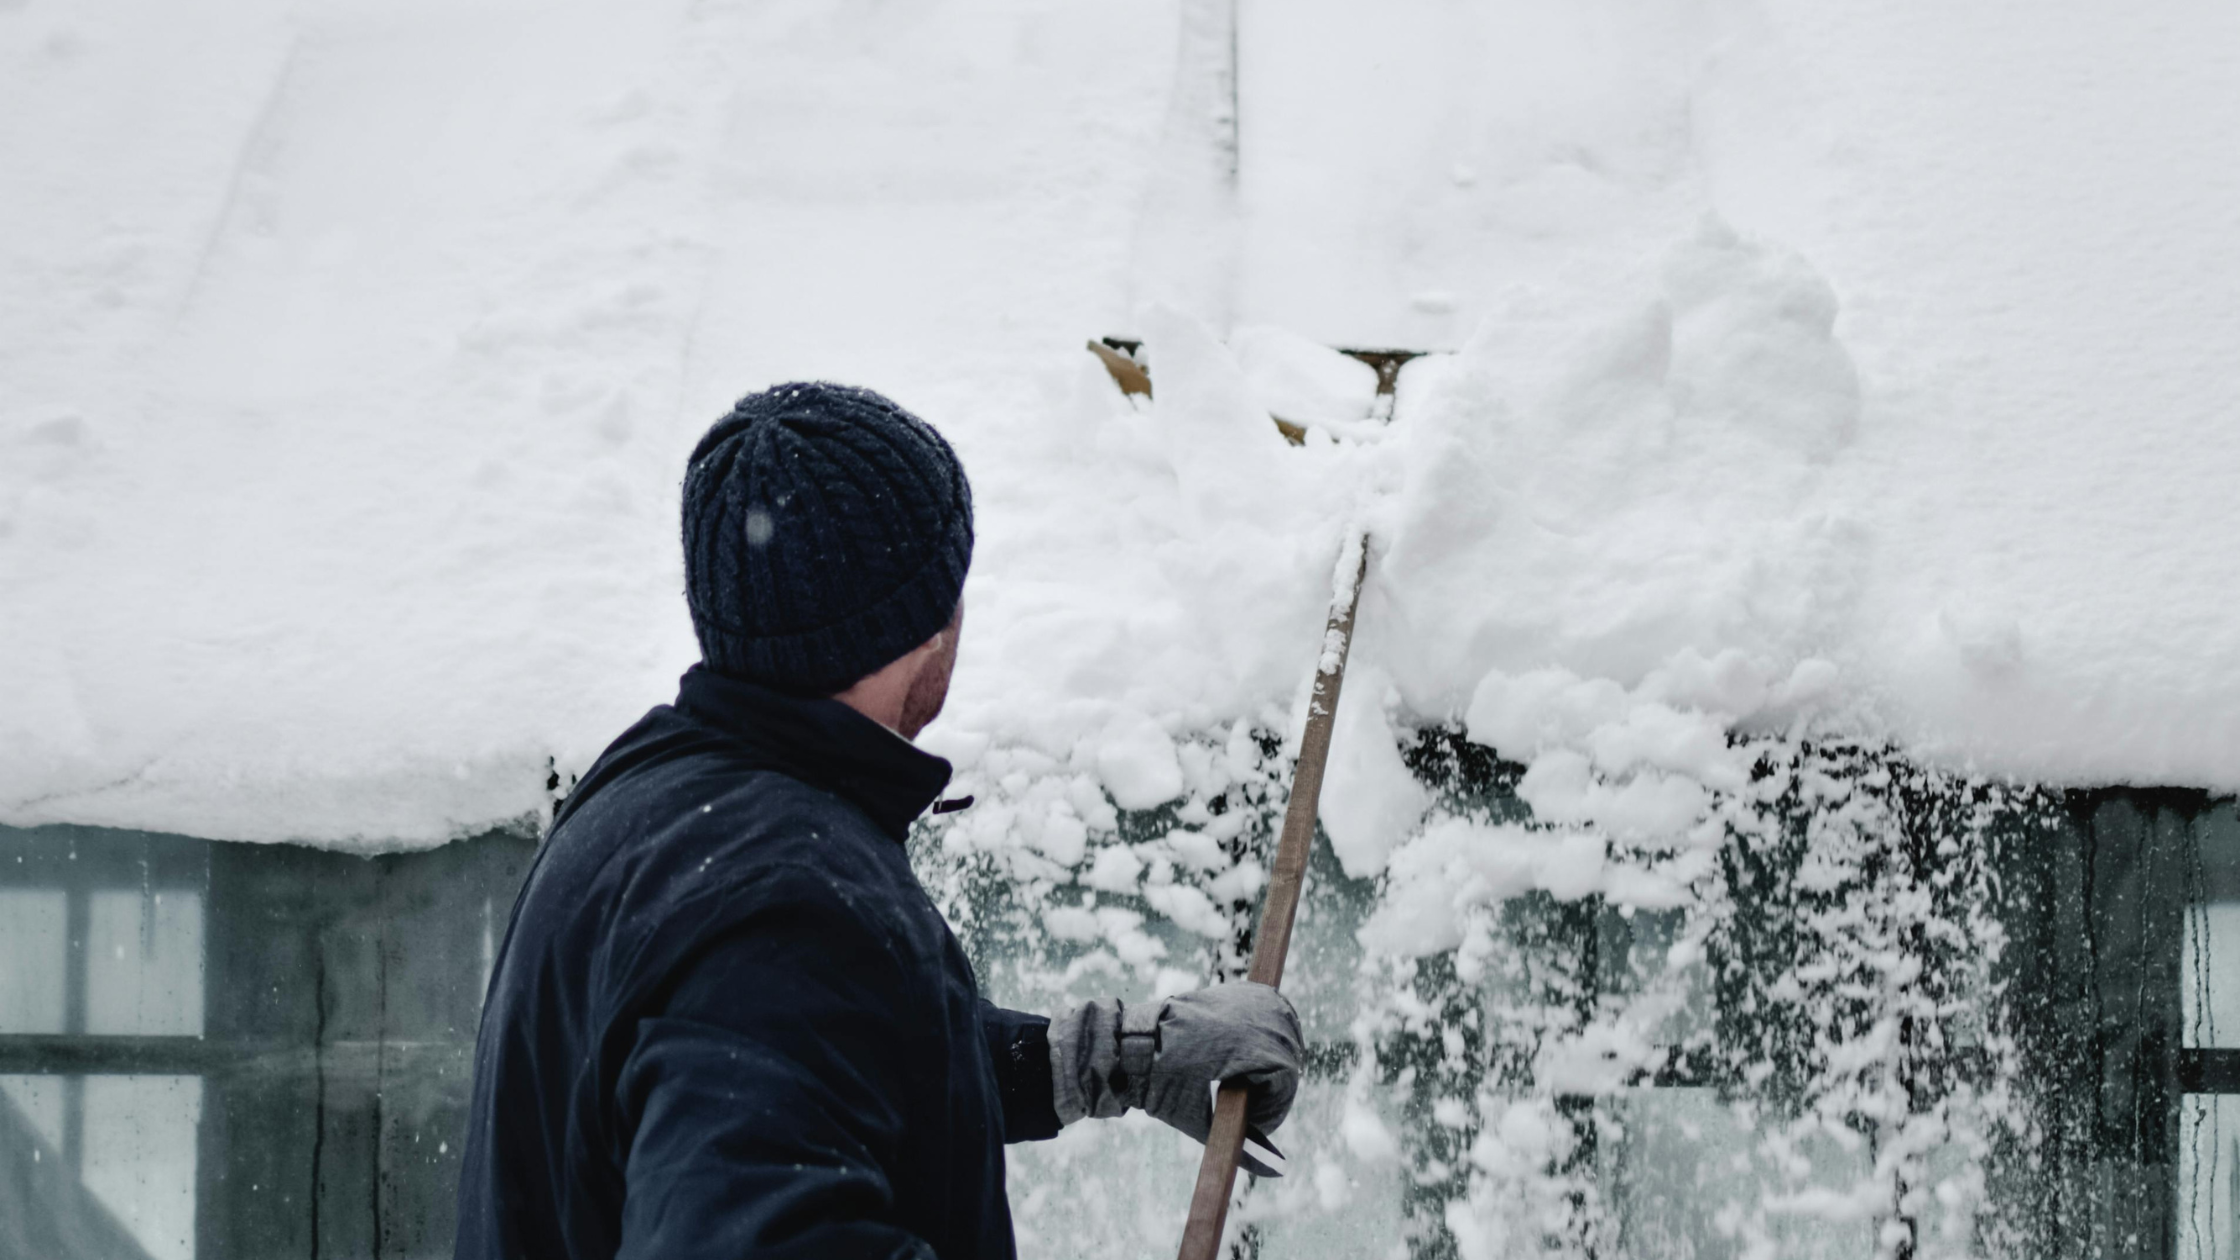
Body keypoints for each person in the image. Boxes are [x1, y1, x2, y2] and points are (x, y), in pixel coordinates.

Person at [454, 382, 1303, 1260]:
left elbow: (800, 1066)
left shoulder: (647, 798)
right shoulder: (786, 908)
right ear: (925, 627)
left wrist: (1091, 1058)